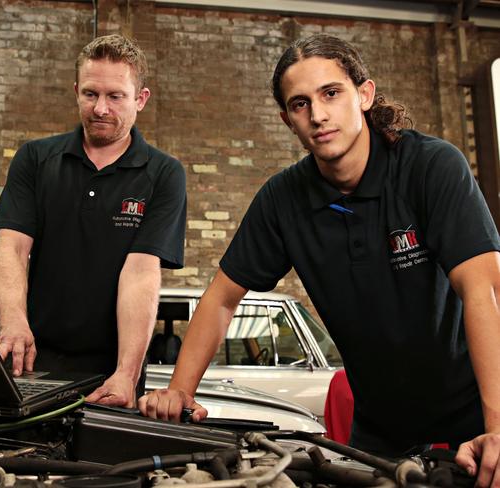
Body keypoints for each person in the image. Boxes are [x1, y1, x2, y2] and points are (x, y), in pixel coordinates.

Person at [138, 34, 500, 486]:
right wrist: (180, 391)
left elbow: (483, 289)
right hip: (382, 431)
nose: (319, 115)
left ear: (364, 95)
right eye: (300, 104)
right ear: (289, 120)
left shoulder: (430, 167)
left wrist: (498, 426)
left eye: (331, 93)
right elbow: (221, 299)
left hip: (475, 411)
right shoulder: (282, 199)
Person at [0, 34, 186, 408]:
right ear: (77, 91)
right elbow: (12, 248)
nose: (100, 109)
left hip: (112, 370)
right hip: (31, 360)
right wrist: (13, 323)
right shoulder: (35, 159)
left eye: (115, 97)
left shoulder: (163, 174)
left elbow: (141, 272)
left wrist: (127, 374)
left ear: (140, 99)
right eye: (91, 94)